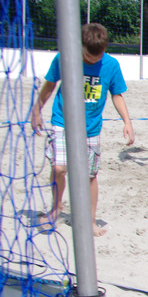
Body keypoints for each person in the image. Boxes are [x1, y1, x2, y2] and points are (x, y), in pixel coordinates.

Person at [30, 22, 135, 236]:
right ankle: (56, 209)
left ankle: (90, 220)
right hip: (62, 122)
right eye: (87, 56)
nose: (92, 60)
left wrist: (127, 121)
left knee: (89, 176)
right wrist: (36, 111)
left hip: (91, 129)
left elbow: (116, 94)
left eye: (97, 57)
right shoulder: (64, 58)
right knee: (59, 168)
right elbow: (49, 84)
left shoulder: (111, 65)